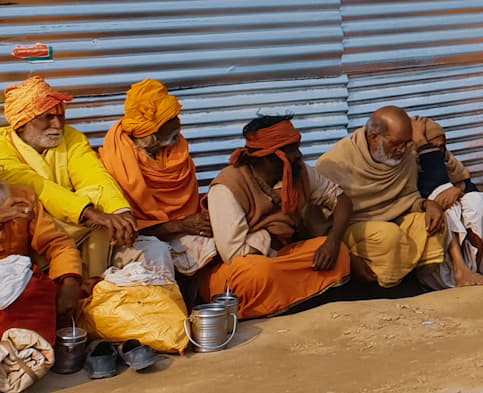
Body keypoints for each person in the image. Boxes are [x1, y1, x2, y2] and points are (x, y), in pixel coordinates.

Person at [318, 107, 483, 289]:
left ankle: (438, 279)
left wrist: (428, 205)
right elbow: (320, 224)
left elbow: (408, 199)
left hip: (394, 225)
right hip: (353, 232)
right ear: (374, 138)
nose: (402, 150)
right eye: (396, 144)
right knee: (388, 236)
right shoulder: (335, 164)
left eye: (407, 144)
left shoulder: (405, 154)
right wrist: (347, 255)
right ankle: (383, 287)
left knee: (433, 222)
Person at [203, 117, 354, 319]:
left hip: (283, 255)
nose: (299, 155)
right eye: (292, 149)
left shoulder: (298, 171)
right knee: (258, 274)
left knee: (340, 254)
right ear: (269, 157)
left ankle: (290, 301)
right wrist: (272, 235)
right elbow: (234, 253)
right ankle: (291, 301)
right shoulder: (227, 187)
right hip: (241, 268)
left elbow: (340, 199)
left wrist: (333, 242)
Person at [0, 76, 136, 280]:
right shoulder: (2, 146)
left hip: (72, 228)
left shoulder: (72, 138)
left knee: (100, 214)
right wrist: (87, 212)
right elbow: (37, 185)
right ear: (21, 124)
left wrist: (121, 212)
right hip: (35, 232)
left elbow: (94, 176)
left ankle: (92, 288)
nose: (57, 124)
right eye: (47, 117)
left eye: (61, 116)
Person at [97, 79, 216, 281]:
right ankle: (167, 308)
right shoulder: (115, 162)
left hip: (180, 231)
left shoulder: (176, 152)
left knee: (218, 242)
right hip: (133, 243)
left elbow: (189, 215)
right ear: (151, 131)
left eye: (176, 116)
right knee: (156, 253)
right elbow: (125, 232)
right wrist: (181, 226)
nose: (178, 123)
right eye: (170, 119)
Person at [0, 180, 83, 393]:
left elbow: (59, 245)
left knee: (39, 287)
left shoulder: (21, 196)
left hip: (19, 292)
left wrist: (69, 283)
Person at [409, 116, 483, 290]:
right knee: (441, 200)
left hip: (472, 264)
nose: (437, 153)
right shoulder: (406, 171)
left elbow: (463, 189)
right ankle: (460, 271)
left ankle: (474, 271)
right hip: (435, 269)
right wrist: (421, 143)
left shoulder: (451, 165)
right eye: (430, 147)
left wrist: (458, 191)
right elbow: (433, 189)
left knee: (476, 200)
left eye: (441, 147)